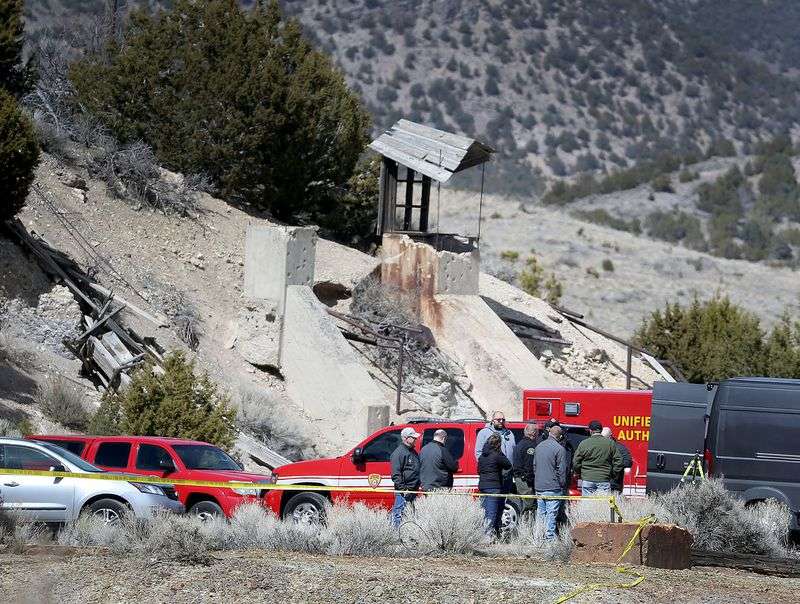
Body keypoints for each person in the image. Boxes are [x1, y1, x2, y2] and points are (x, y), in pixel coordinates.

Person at [533, 424, 567, 540]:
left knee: (541, 513)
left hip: (539, 486)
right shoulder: (560, 449)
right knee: (551, 514)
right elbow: (561, 470)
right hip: (553, 487)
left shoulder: (538, 447)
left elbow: (534, 466)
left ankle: (538, 537)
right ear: (560, 436)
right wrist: (562, 485)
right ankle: (549, 538)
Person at [572, 420, 623, 496]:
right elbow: (619, 461)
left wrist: (580, 473)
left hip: (587, 479)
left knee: (587, 504)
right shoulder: (610, 443)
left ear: (590, 431)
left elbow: (576, 462)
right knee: (602, 505)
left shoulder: (584, 443)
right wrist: (613, 474)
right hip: (604, 479)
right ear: (601, 430)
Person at [475, 411, 516, 503]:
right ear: (492, 421)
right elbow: (478, 453)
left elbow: (513, 452)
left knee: (502, 503)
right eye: (498, 419)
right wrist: (488, 467)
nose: (501, 421)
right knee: (490, 505)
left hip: (507, 475)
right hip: (493, 475)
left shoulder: (509, 434)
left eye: (503, 419)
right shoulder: (484, 433)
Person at [477, 433, 512, 538]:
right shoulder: (497, 455)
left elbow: (478, 470)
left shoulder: (482, 456)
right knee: (492, 513)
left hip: (482, 486)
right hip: (494, 487)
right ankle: (487, 537)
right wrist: (500, 453)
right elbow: (508, 464)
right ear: (498, 444)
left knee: (484, 512)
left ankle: (482, 535)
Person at [390, 427, 421, 527]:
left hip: (413, 490)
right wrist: (404, 489)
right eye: (413, 437)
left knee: (410, 514)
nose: (415, 439)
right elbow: (396, 474)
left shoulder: (412, 451)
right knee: (399, 513)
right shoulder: (398, 453)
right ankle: (396, 535)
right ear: (406, 438)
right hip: (404, 491)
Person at [512, 423, 538, 515]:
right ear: (533, 433)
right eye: (537, 431)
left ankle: (524, 526)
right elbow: (529, 465)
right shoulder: (530, 446)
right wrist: (531, 481)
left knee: (524, 505)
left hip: (519, 478)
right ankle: (528, 528)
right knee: (529, 506)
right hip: (526, 481)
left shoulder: (519, 444)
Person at [602, 427, 633, 493]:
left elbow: (628, 462)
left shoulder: (620, 448)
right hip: (600, 483)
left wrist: (614, 469)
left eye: (605, 438)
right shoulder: (598, 446)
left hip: (614, 484)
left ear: (610, 436)